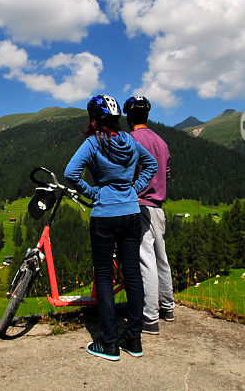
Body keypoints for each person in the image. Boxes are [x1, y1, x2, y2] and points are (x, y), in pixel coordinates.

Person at [64, 94, 157, 361]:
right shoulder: (130, 140)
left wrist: (94, 193)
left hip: (104, 215)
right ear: (117, 118)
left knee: (104, 276)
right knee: (133, 274)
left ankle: (109, 343)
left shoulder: (93, 143)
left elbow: (71, 173)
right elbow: (150, 164)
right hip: (131, 213)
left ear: (94, 119)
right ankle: (134, 340)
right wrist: (134, 189)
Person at [124, 96, 175, 335]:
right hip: (158, 208)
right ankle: (168, 308)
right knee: (161, 258)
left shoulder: (131, 140)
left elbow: (126, 173)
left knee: (145, 261)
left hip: (139, 206)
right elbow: (167, 172)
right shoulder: (161, 142)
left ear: (129, 116)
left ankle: (150, 318)